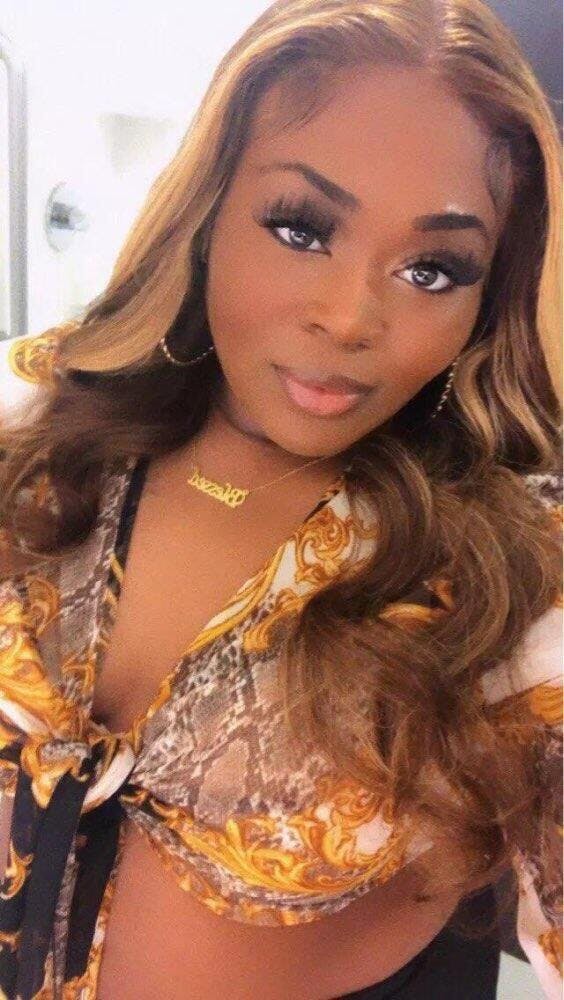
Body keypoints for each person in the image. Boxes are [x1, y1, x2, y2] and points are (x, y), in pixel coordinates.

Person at [0, 0, 561, 997]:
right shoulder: (32, 431)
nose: (349, 318)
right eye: (302, 228)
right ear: (208, 210)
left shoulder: (508, 587)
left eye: (432, 269)